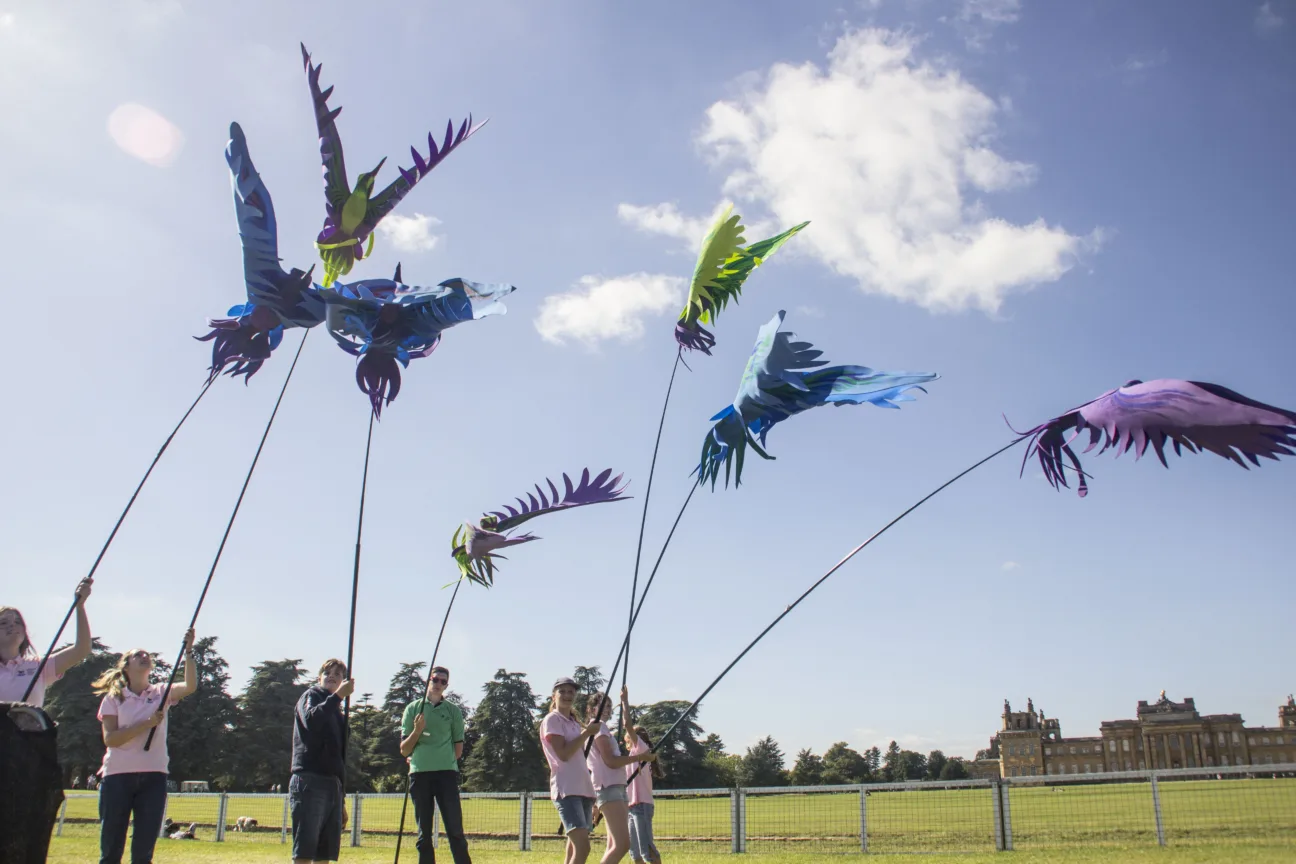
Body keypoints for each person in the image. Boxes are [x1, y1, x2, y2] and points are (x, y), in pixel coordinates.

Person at [94, 628, 198, 864]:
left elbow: (190, 686)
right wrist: (146, 724)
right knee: (110, 850)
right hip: (117, 778)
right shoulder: (113, 698)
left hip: (154, 777)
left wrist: (189, 651)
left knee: (143, 854)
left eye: (146, 654)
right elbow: (111, 739)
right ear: (126, 666)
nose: (144, 656)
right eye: (137, 654)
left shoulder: (161, 692)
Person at [399, 665, 470, 864]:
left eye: (443, 681)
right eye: (435, 679)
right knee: (424, 834)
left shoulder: (453, 711)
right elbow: (404, 750)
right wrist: (417, 730)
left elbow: (458, 750)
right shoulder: (413, 709)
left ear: (446, 685)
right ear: (428, 680)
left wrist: (441, 758)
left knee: (455, 831)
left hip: (446, 775)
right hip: (420, 775)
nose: (438, 684)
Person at [290, 659, 354, 864]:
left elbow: (340, 759)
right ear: (319, 677)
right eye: (328, 672)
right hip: (310, 780)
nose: (332, 676)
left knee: (324, 854)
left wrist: (342, 799)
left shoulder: (339, 715)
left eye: (338, 674)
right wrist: (338, 697)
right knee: (305, 851)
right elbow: (311, 720)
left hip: (332, 785)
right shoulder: (311, 696)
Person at [586, 687, 658, 864]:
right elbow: (610, 761)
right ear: (591, 708)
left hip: (614, 787)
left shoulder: (600, 728)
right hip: (609, 788)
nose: (607, 709)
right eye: (603, 705)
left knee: (613, 845)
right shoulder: (599, 729)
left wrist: (624, 701)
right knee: (622, 845)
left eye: (610, 706)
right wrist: (641, 757)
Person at [0, 578, 94, 706]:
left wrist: (80, 606)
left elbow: (82, 649)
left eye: (17, 622)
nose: (12, 626)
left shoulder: (38, 666)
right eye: (4, 623)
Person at [540, 677, 601, 864]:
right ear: (553, 696)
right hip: (566, 790)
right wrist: (587, 733)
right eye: (562, 691)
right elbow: (564, 754)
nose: (567, 695)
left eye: (571, 692)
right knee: (583, 847)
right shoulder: (552, 720)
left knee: (575, 847)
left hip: (583, 789)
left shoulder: (574, 723)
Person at [624, 723, 664, 864]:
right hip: (631, 806)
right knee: (634, 852)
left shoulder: (642, 749)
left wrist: (624, 703)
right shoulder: (633, 755)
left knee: (646, 849)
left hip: (642, 806)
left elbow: (628, 726)